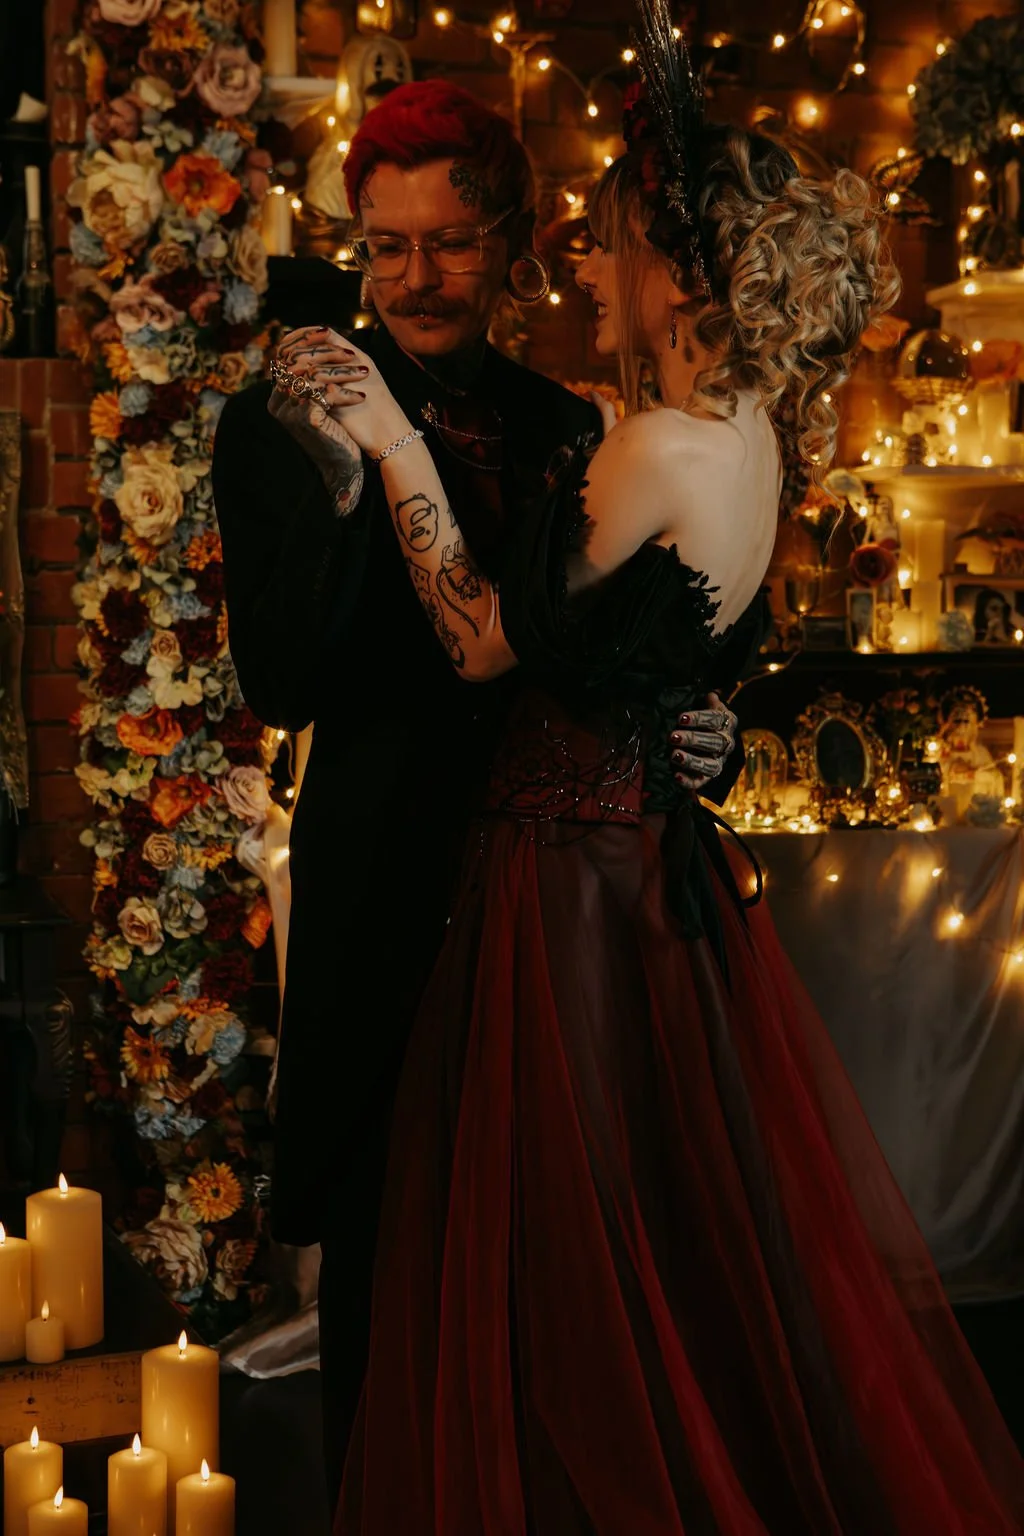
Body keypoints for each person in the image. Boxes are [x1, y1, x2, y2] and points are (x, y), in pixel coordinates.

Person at [280, 7, 1024, 1529]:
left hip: (562, 897)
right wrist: (689, 723)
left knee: (563, 1248)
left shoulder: (651, 448)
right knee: (657, 1236)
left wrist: (396, 451)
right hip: (641, 887)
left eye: (609, 240)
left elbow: (491, 647)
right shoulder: (742, 440)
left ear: (684, 270)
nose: (585, 267)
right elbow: (686, 650)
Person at [211, 79, 737, 1506]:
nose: (413, 278)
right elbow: (280, 680)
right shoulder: (287, 420)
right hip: (393, 901)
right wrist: (347, 476)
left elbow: (617, 644)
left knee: (566, 1276)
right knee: (391, 1279)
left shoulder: (574, 422)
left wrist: (703, 726)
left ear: (506, 239)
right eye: (384, 246)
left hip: (559, 925)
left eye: (446, 242)